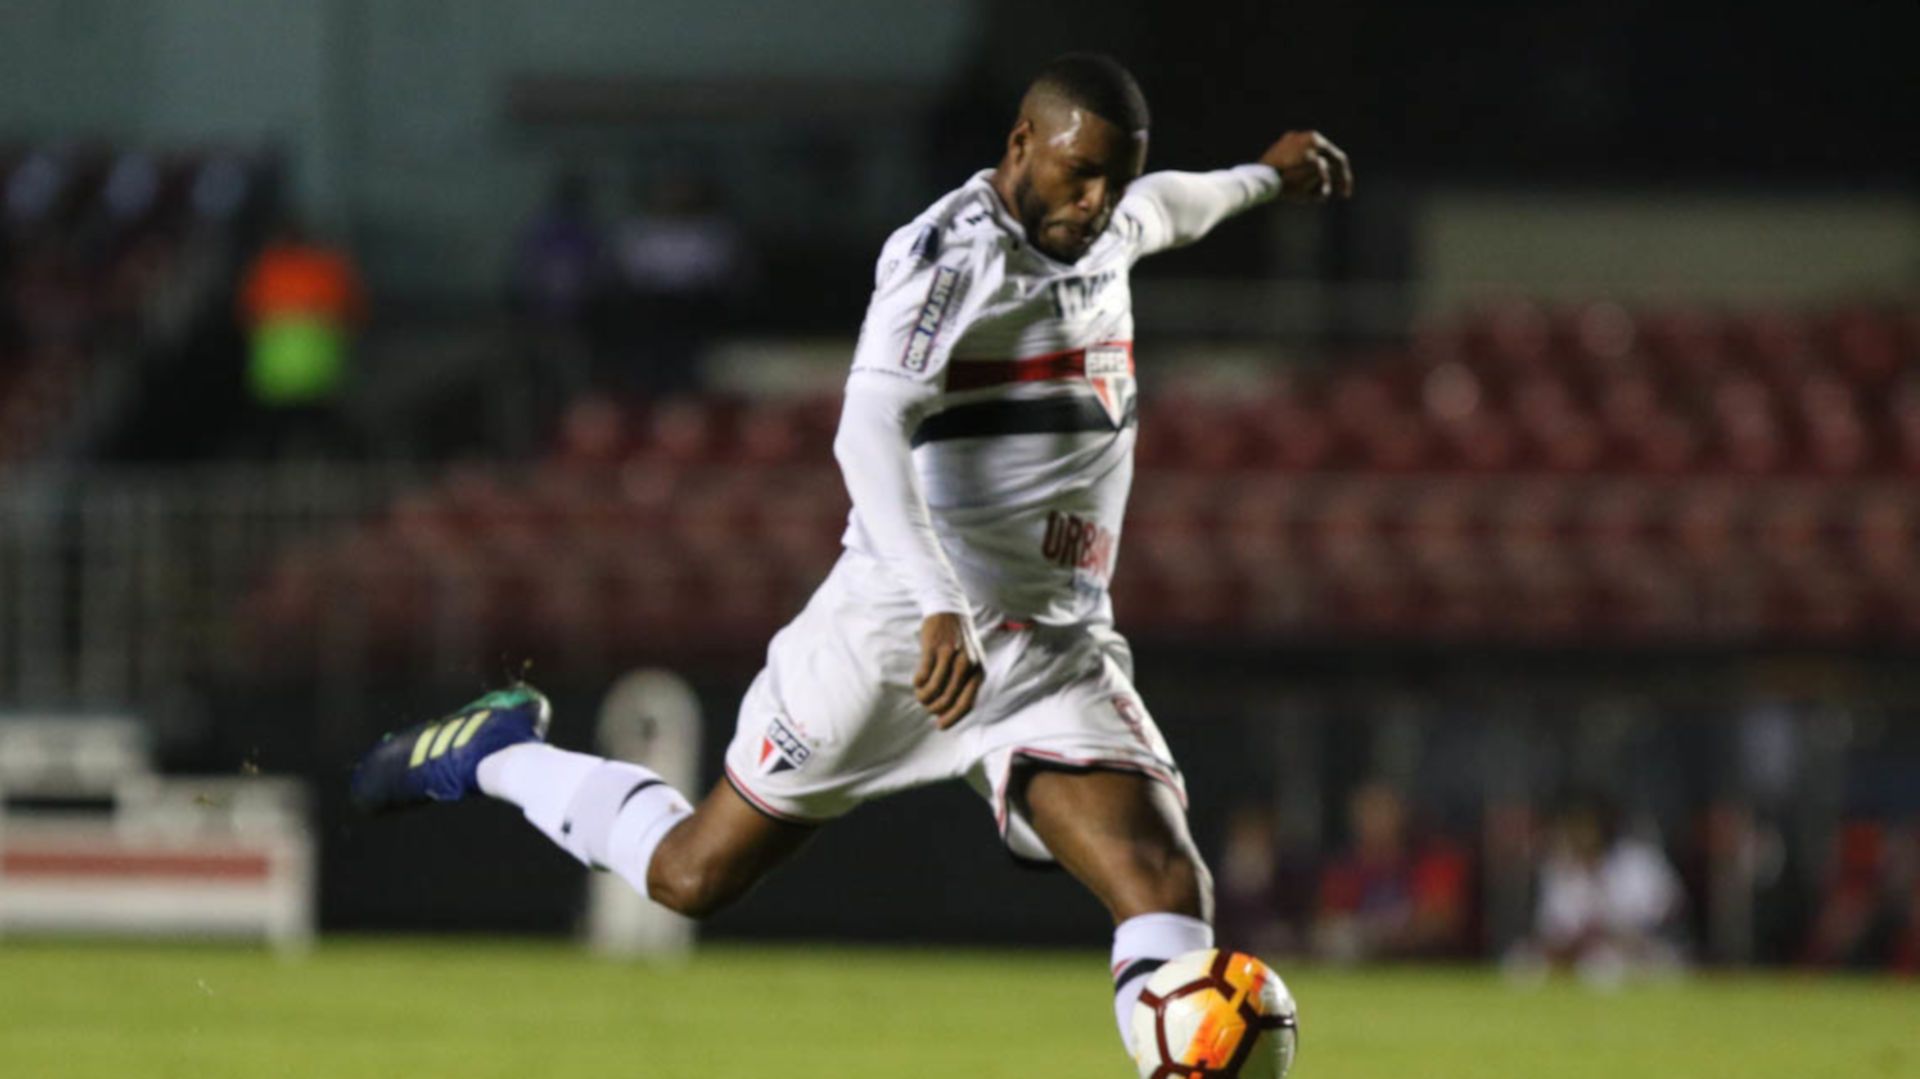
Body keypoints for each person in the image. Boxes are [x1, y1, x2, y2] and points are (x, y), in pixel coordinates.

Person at [350, 53, 1350, 1064]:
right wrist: (935, 602)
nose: (1097, 202)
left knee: (1166, 883)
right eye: (1080, 173)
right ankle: (498, 752)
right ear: (1020, 145)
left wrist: (1266, 176)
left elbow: (1173, 205)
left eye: (1113, 179)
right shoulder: (947, 262)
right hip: (895, 636)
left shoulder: (1106, 220)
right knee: (692, 874)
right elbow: (867, 427)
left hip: (1052, 647)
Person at [1310, 780, 1472, 962]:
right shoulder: (1344, 872)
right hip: (1361, 970)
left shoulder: (1433, 860)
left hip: (1426, 967)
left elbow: (1441, 923)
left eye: (1382, 811)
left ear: (1402, 815)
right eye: (1368, 813)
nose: (1375, 822)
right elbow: (1325, 926)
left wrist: (1375, 935)